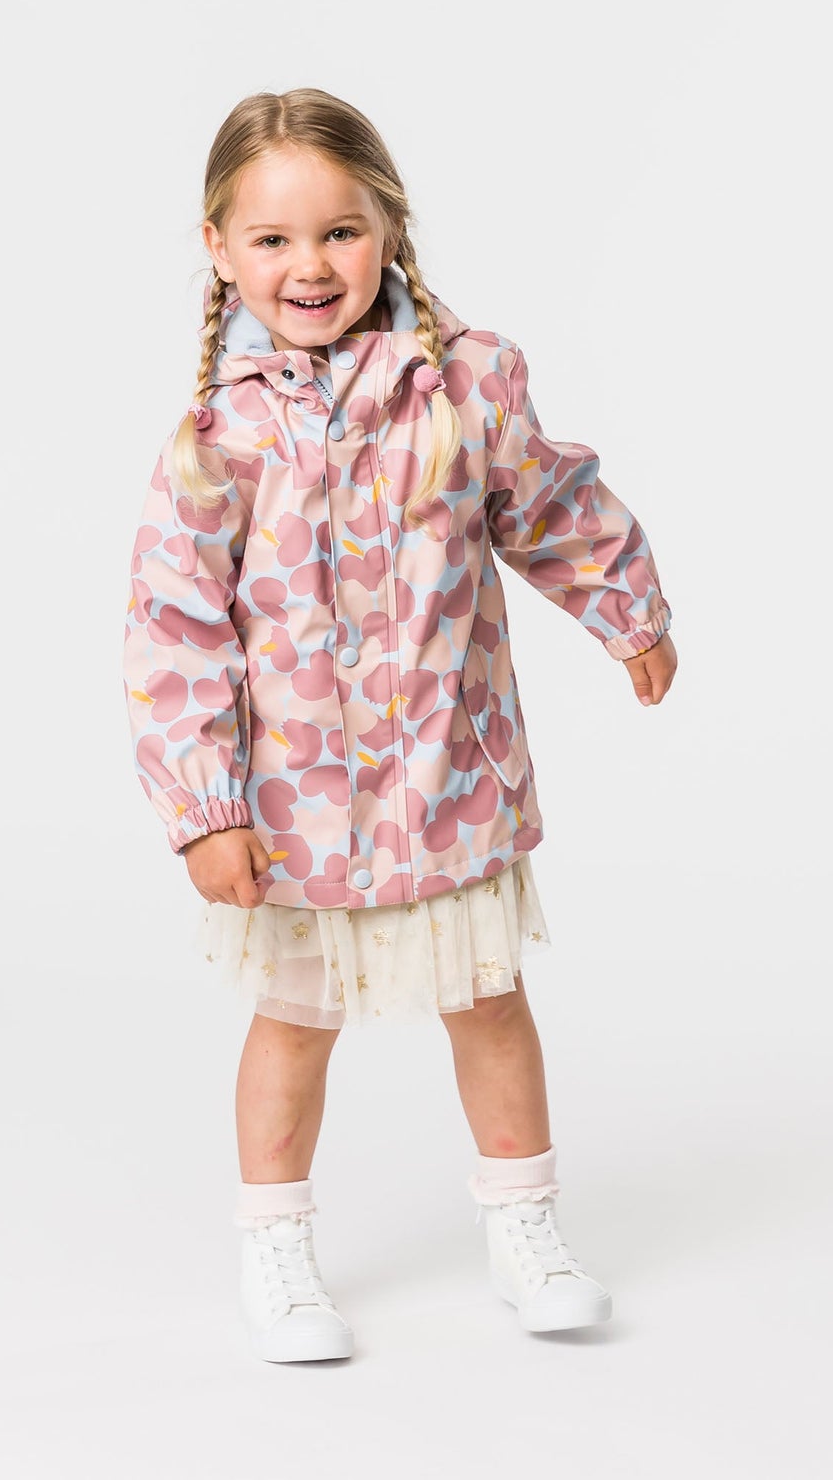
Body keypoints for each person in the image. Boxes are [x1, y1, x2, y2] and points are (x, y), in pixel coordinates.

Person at [122, 87, 678, 1363]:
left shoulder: (463, 386)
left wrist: (629, 609)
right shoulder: (219, 437)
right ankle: (276, 1248)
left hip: (447, 774)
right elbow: (175, 629)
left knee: (489, 1001)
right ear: (219, 248)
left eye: (340, 232)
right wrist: (204, 808)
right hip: (295, 808)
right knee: (294, 1022)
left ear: (388, 228)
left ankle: (527, 1231)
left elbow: (548, 504)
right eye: (273, 239)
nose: (310, 266)